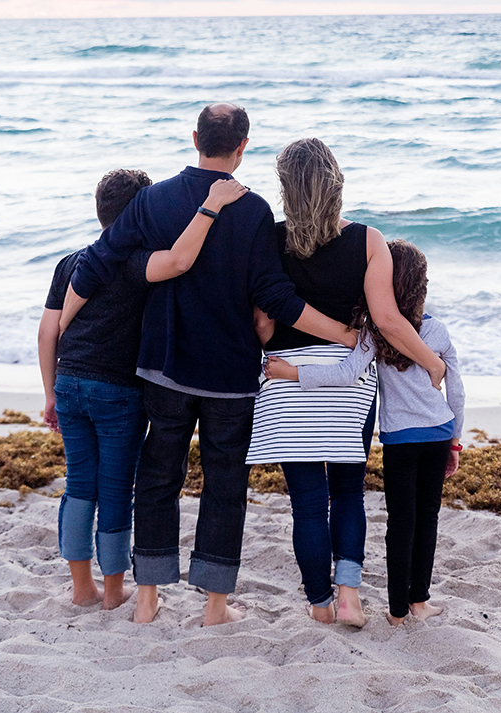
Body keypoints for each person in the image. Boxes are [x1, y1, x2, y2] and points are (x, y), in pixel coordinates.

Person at [61, 104, 357, 626]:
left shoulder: (153, 200)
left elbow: (99, 261)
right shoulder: (255, 211)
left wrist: (63, 326)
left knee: (157, 479)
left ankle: (148, 598)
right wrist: (345, 335)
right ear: (243, 147)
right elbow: (276, 297)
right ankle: (215, 607)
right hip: (229, 374)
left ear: (195, 136)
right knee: (224, 486)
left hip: (165, 367)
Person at [245, 139, 446, 627]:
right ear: (336, 182)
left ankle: (320, 604)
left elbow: (263, 328)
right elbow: (388, 320)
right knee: (349, 492)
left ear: (286, 188)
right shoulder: (368, 240)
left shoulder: (269, 240)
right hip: (349, 382)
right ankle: (351, 594)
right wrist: (432, 364)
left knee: (308, 503)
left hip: (287, 381)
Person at [38, 168, 247, 610]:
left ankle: (81, 588)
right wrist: (211, 208)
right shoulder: (134, 263)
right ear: (141, 211)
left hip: (69, 384)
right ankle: (113, 592)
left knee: (79, 485)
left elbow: (47, 332)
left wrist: (50, 394)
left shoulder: (71, 261)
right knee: (114, 489)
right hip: (117, 392)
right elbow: (177, 260)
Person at [266, 240, 464, 625]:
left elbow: (344, 374)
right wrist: (456, 438)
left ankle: (395, 612)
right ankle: (419, 600)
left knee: (400, 521)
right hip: (439, 434)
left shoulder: (375, 333)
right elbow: (456, 390)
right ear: (422, 285)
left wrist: (291, 372)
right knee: (428, 518)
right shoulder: (437, 331)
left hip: (399, 440)